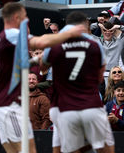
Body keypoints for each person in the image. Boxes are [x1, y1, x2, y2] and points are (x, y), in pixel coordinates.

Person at [0, 2, 85, 153]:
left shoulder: (4, 39)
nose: (27, 20)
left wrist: (39, 60)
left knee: (22, 149)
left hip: (6, 105)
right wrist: (69, 33)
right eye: (25, 17)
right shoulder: (12, 34)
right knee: (26, 149)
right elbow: (41, 42)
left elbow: (23, 64)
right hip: (7, 105)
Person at [42, 11, 115, 153]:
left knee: (62, 147)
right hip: (90, 105)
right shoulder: (95, 44)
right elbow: (100, 79)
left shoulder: (54, 44)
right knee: (106, 148)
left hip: (63, 107)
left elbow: (43, 70)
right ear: (85, 25)